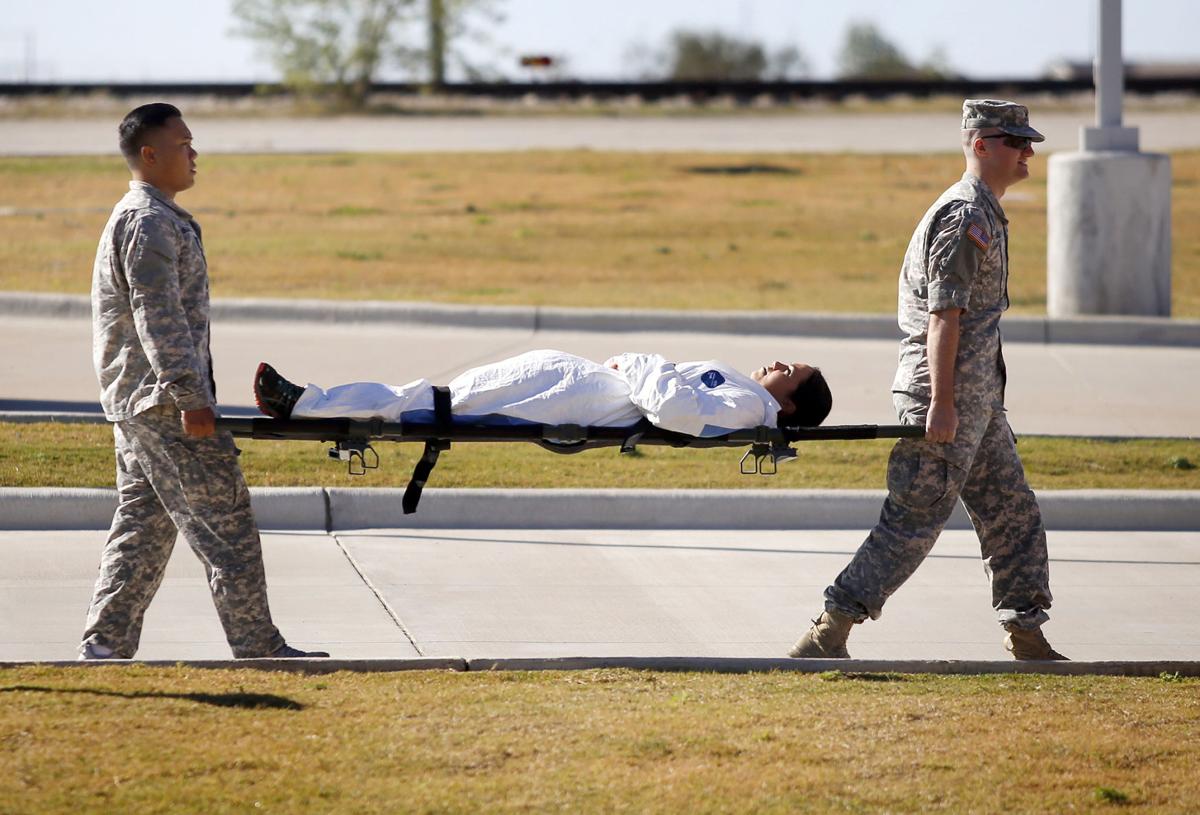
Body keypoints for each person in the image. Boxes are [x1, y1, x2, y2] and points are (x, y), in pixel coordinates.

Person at [788, 99, 1066, 661]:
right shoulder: (965, 215)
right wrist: (940, 402)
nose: (1028, 152)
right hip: (945, 398)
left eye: (1028, 141)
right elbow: (945, 313)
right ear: (980, 144)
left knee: (1013, 513)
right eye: (1016, 142)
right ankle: (828, 630)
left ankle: (1026, 633)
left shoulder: (986, 210)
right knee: (914, 522)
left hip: (977, 402)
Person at [81, 103, 326, 660]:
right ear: (150, 154)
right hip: (164, 404)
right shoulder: (147, 222)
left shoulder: (151, 216)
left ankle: (103, 650)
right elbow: (156, 315)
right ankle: (260, 648)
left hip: (141, 402)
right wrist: (191, 398)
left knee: (141, 533)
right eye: (184, 143)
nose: (195, 154)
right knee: (228, 528)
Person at [252, 350, 833, 436]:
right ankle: (310, 401)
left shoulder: (749, 407)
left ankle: (304, 405)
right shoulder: (747, 395)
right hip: (579, 379)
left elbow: (677, 412)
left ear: (789, 405)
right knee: (440, 396)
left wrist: (642, 360)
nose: (776, 362)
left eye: (791, 370)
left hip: (589, 398)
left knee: (437, 404)